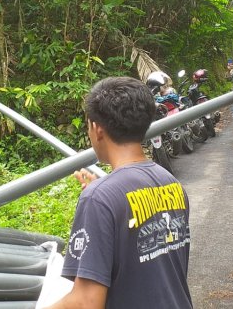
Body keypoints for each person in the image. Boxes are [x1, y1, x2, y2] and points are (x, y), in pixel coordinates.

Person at [48, 77, 192, 308]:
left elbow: (86, 302)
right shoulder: (172, 183)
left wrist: (101, 196)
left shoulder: (100, 198)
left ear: (97, 129)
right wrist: (104, 193)